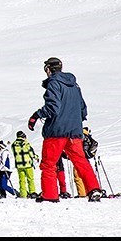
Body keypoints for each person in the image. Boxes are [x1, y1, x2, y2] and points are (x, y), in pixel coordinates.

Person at [28, 57, 103, 202]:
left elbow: (52, 108)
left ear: (48, 69)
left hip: (56, 131)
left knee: (49, 164)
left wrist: (36, 116)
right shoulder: (74, 85)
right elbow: (83, 110)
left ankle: (50, 195)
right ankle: (94, 189)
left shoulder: (54, 83)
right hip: (74, 132)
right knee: (80, 160)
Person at [11, 130, 39, 198]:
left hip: (19, 165)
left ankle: (23, 194)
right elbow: (31, 153)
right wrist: (36, 157)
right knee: (30, 179)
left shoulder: (13, 145)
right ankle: (32, 192)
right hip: (28, 164)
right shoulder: (25, 143)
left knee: (21, 180)